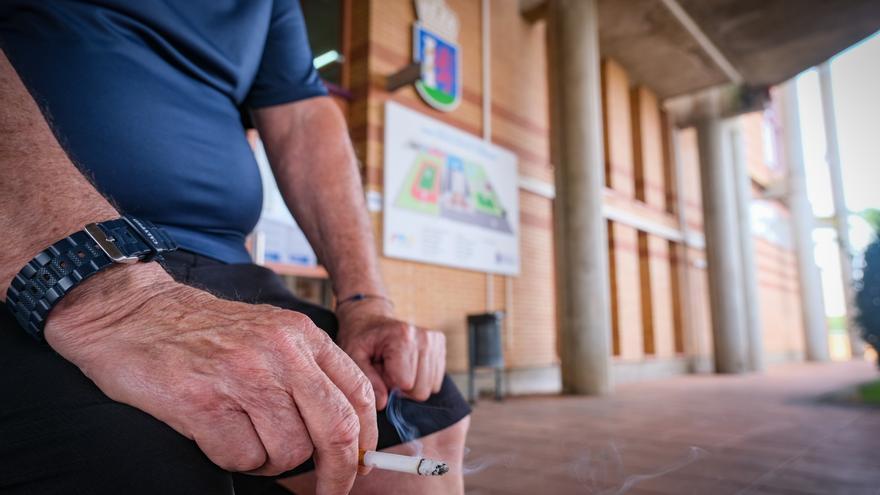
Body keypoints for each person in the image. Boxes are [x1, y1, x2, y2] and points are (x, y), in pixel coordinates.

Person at [0, 1, 470, 494]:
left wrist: (366, 302)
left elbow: (302, 117)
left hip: (221, 263)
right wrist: (113, 301)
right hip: (36, 254)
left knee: (420, 411)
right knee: (136, 456)